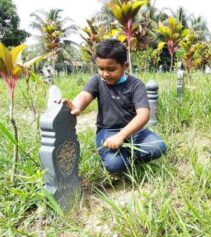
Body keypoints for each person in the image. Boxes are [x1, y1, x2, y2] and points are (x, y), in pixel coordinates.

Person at [57, 39, 166, 173]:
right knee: (115, 166)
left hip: (134, 131)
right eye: (101, 68)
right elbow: (85, 95)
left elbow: (143, 115)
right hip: (107, 131)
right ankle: (118, 158)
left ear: (125, 66)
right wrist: (76, 106)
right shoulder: (97, 80)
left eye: (111, 69)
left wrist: (121, 135)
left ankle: (129, 157)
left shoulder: (136, 85)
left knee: (158, 147)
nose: (105, 74)